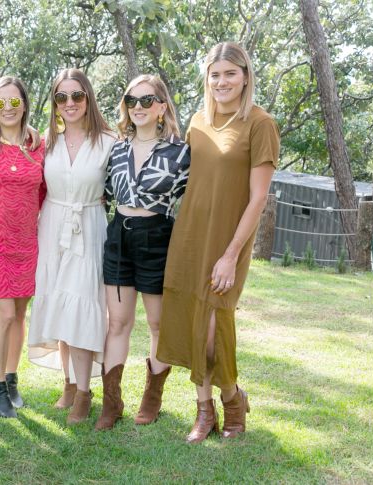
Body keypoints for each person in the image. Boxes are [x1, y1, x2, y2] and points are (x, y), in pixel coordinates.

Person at [156, 41, 280, 443]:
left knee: (213, 331)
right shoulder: (196, 123)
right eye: (215, 74)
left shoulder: (260, 124)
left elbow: (258, 198)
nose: (222, 81)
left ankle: (232, 400)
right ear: (206, 79)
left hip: (229, 240)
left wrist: (230, 255)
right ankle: (204, 411)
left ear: (245, 77)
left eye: (230, 73)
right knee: (193, 322)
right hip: (190, 235)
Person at [94, 74, 190, 431]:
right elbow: (104, 191)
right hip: (119, 235)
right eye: (131, 101)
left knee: (156, 324)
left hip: (158, 236)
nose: (138, 107)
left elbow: (194, 200)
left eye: (146, 101)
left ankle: (152, 399)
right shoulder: (117, 148)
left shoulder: (181, 152)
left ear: (162, 107)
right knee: (117, 322)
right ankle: (111, 402)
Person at [28, 68, 116, 424]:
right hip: (51, 225)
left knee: (79, 304)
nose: (69, 103)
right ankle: (67, 383)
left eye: (76, 96)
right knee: (59, 302)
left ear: (88, 98)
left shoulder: (110, 141)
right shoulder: (45, 141)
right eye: (61, 97)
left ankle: (84, 391)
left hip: (90, 224)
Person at [0, 76, 45, 418]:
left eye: (15, 102)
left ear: (25, 104)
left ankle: (13, 379)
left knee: (19, 315)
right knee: (2, 315)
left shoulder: (38, 145)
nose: (8, 109)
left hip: (27, 241)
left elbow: (46, 191)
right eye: (0, 103)